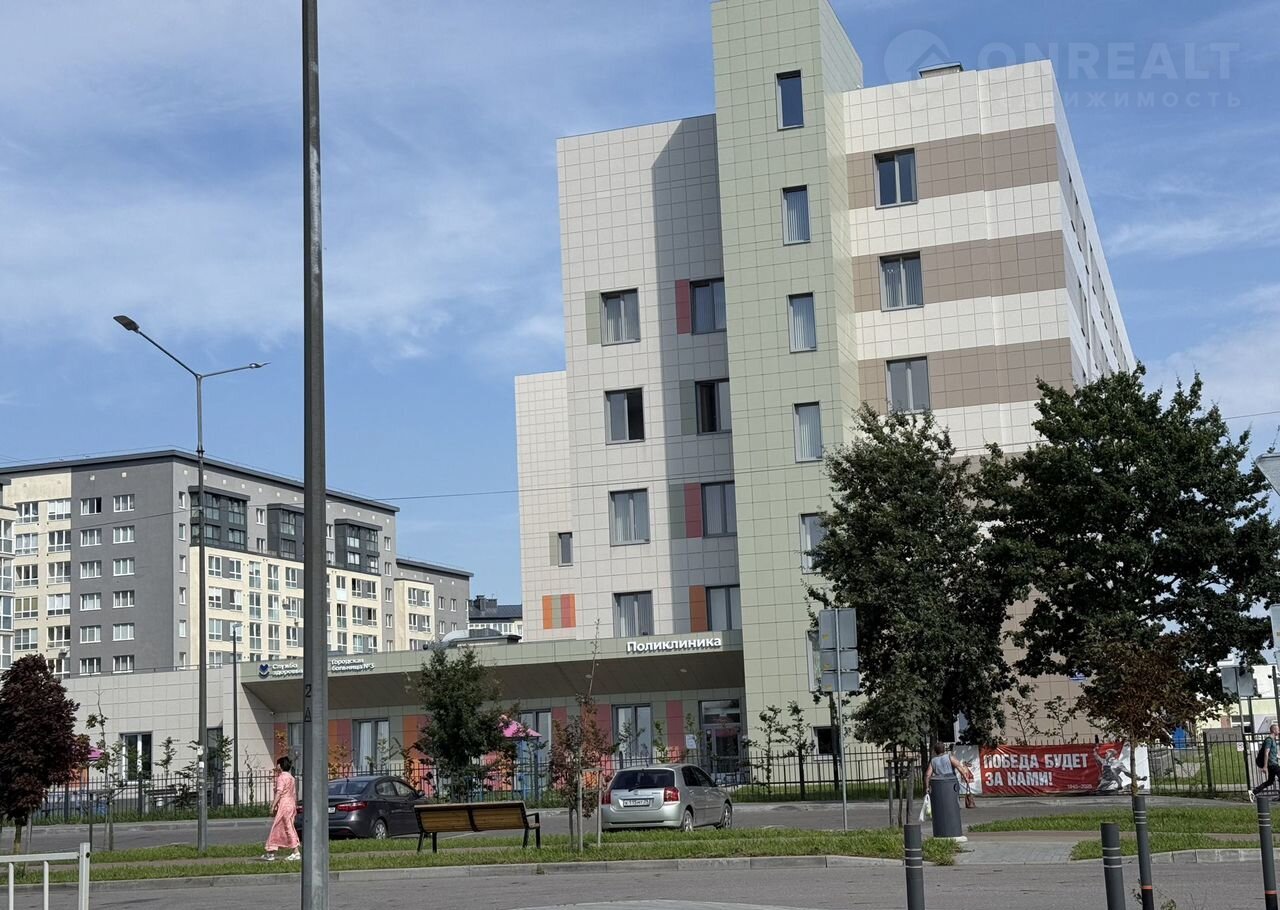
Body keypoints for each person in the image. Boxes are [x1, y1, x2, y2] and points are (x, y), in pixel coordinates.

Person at [263, 756, 301, 862]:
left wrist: (273, 805)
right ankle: (271, 852)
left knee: (287, 827)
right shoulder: (291, 778)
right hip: (291, 804)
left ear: (280, 765)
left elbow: (279, 792)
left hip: (284, 804)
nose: (276, 766)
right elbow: (293, 793)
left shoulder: (281, 777)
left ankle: (296, 852)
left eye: (277, 764)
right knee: (279, 827)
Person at [1251, 724, 1280, 802]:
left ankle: (1254, 792)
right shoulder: (1269, 740)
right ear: (1273, 730)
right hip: (1272, 764)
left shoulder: (1273, 740)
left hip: (1273, 763)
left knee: (1270, 781)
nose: (1279, 731)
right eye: (1278, 729)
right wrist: (1265, 766)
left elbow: (1272, 753)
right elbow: (1266, 753)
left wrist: (1277, 756)